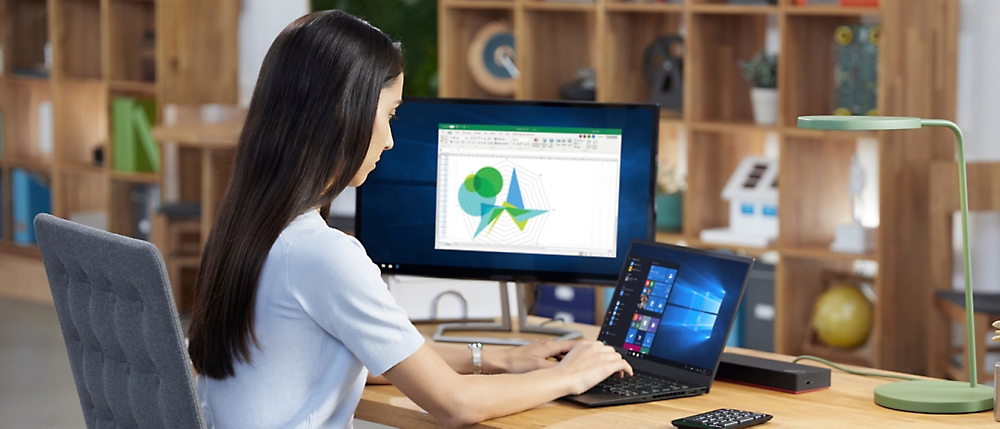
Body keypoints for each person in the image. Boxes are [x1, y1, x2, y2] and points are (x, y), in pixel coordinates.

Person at [186, 10, 632, 429]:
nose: (392, 141)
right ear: (346, 112)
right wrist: (572, 376)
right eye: (390, 114)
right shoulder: (322, 254)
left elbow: (380, 354)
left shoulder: (249, 230)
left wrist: (501, 357)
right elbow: (456, 405)